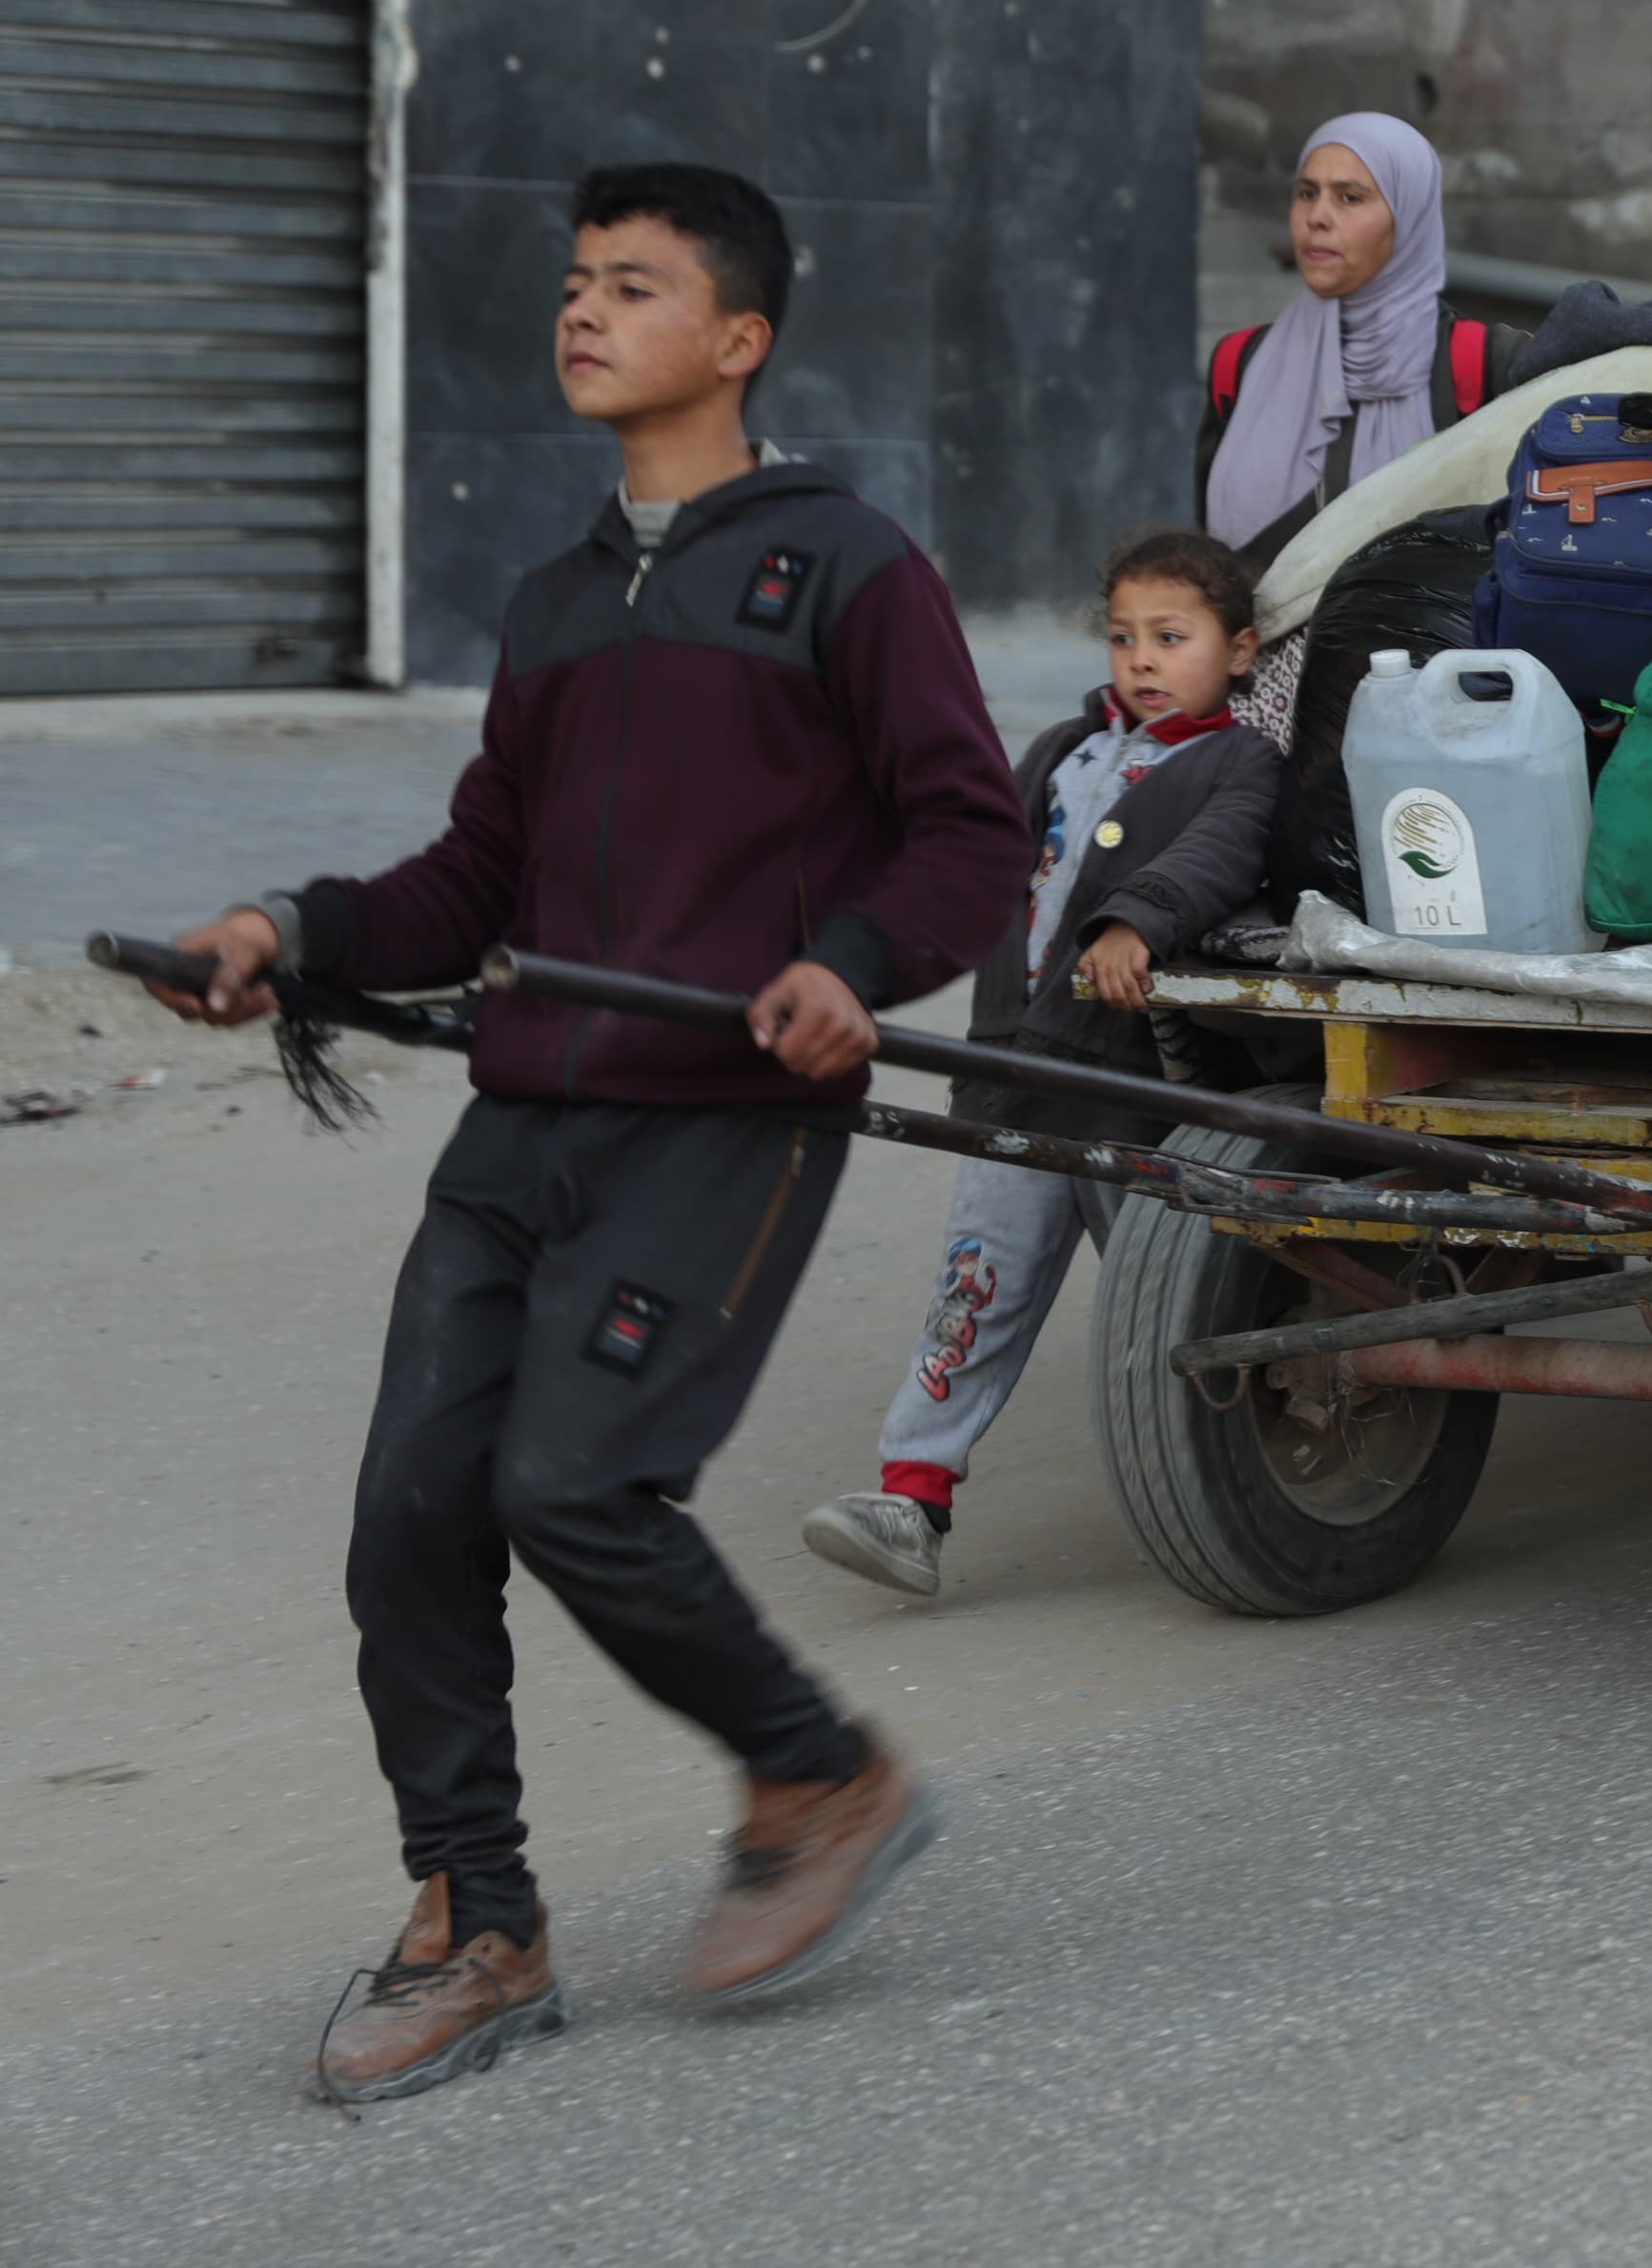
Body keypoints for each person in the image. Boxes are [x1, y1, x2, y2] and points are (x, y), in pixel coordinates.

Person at [146, 164, 1029, 2098]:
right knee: (407, 1523)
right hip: (526, 1114)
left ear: (737, 339)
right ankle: (478, 1919)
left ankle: (820, 1771)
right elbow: (480, 875)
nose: (583, 310)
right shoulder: (555, 602)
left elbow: (973, 828)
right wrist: (290, 936)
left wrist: (852, 967)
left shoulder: (847, 569)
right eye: (574, 282)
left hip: (726, 1117)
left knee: (574, 1487)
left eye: (632, 286)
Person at [802, 532, 1279, 1600]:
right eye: (1123, 637)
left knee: (1172, 1299)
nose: (1143, 659)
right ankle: (910, 1497)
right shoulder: (1066, 744)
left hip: (1132, 1083)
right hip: (1016, 1065)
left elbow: (1222, 851)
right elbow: (979, 855)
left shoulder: (1237, 760)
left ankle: (1263, 1452)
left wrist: (1135, 922)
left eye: (1172, 637)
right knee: (978, 1282)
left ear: (1240, 650)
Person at [1199, 112, 1526, 739]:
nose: (1318, 216)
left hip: (1432, 710)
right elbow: (1211, 569)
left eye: (1350, 197)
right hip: (1261, 723)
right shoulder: (1239, 365)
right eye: (1306, 193)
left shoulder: (1482, 363)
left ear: (1409, 218)